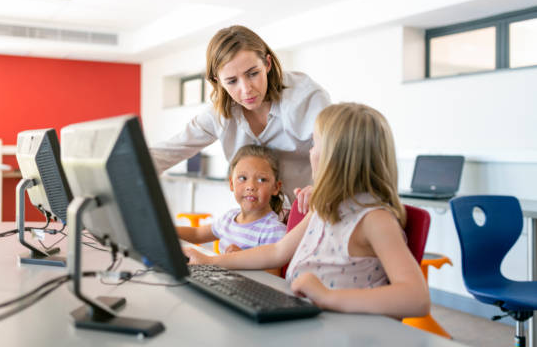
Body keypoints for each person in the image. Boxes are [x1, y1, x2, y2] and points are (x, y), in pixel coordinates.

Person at [184, 103, 430, 319]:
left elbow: (416, 298)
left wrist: (327, 297)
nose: (310, 152)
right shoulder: (326, 208)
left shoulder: (374, 220)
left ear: (334, 159)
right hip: (307, 318)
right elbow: (277, 251)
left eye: (315, 144)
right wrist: (211, 261)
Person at [150, 25, 330, 213]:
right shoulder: (218, 115)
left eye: (253, 74)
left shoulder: (306, 98)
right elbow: (167, 152)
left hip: (314, 211)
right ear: (217, 80)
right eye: (232, 81)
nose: (246, 90)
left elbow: (337, 153)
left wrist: (322, 187)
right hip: (260, 219)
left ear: (267, 64)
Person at [177, 145, 287, 274]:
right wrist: (163, 227)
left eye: (262, 179)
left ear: (276, 187)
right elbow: (197, 234)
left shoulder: (274, 230)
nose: (251, 186)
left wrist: (241, 258)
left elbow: (273, 275)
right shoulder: (229, 218)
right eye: (242, 178)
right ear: (231, 183)